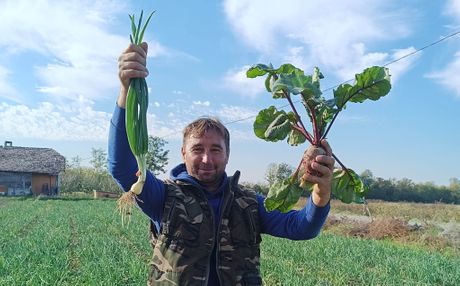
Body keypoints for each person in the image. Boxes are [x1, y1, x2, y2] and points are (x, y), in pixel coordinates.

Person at [108, 42, 335, 286]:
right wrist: (126, 91)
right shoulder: (163, 196)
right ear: (183, 153)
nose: (207, 158)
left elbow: (301, 228)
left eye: (216, 149)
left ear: (228, 154)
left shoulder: (248, 203)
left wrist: (321, 191)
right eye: (197, 149)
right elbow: (122, 166)